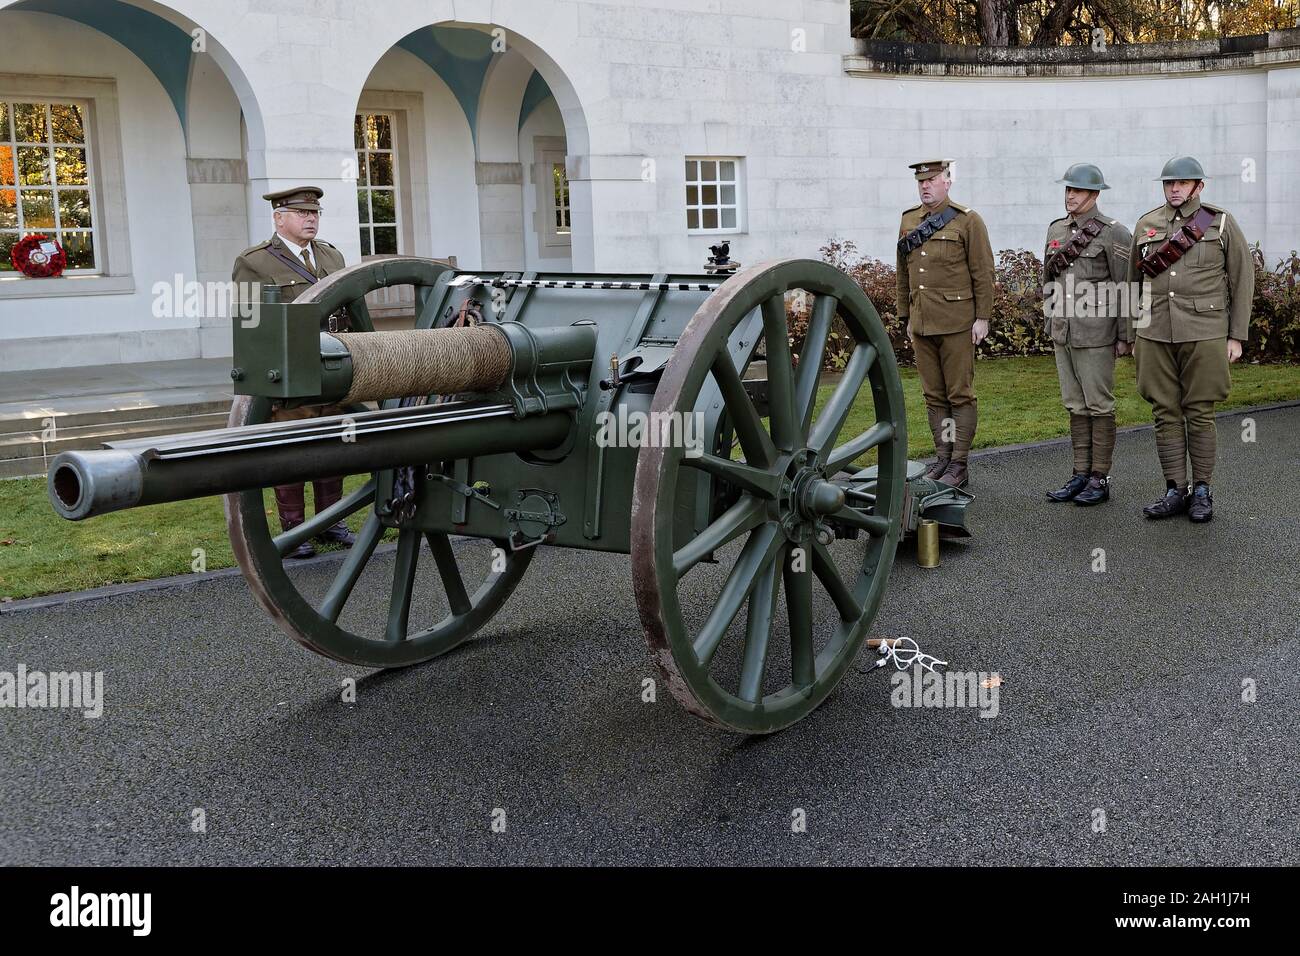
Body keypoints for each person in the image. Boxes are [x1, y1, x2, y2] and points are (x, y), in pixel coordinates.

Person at [1126, 157, 1253, 523]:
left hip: (1205, 331)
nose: (1175, 189)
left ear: (1199, 186)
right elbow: (1132, 284)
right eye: (1169, 183)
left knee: (1199, 411)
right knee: (1164, 411)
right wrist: (1132, 333)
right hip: (1154, 333)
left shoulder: (1219, 223)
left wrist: (1236, 336)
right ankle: (1173, 490)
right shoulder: (1146, 224)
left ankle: (1202, 491)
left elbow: (1241, 279)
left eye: (1183, 183)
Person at [232, 186, 355, 557]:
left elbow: (349, 309)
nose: (310, 219)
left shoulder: (331, 256)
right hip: (288, 372)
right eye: (302, 213)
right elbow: (251, 324)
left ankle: (331, 520)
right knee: (293, 449)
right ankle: (295, 528)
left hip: (331, 366)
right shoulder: (255, 262)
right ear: (279, 218)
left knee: (332, 444)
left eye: (314, 213)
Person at [896, 159, 995, 488]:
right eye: (920, 181)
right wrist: (906, 317)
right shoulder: (909, 220)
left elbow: (982, 272)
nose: (925, 186)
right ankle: (943, 457)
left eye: (932, 180)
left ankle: (959, 463)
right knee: (934, 397)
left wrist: (982, 318)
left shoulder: (968, 221)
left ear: (947, 182)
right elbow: (903, 272)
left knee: (959, 395)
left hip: (956, 323)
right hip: (922, 323)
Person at [1041, 163, 1132, 506]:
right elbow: (1047, 280)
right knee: (1074, 404)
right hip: (1063, 331)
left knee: (1099, 405)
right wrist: (1050, 321)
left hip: (1096, 333)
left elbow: (1125, 287)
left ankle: (1100, 478)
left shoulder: (1113, 233)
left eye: (1076, 191)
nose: (1070, 196)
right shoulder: (1056, 229)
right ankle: (1080, 473)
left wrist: (1125, 336)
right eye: (1067, 190)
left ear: (1094, 194)